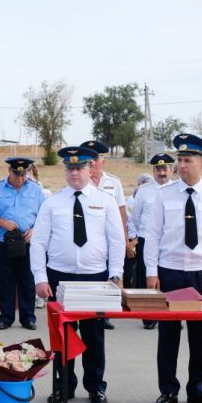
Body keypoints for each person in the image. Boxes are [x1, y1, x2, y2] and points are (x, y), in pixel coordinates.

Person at [30, 146, 125, 403]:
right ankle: (64, 385)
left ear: (90, 169)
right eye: (70, 168)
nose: (74, 173)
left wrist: (116, 273)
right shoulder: (52, 202)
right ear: (65, 170)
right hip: (59, 276)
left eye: (79, 167)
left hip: (95, 277)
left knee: (94, 335)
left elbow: (116, 240)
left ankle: (96, 386)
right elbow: (38, 243)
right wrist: (40, 277)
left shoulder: (105, 201)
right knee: (62, 335)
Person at [144, 133, 202, 403]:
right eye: (179, 160)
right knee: (169, 333)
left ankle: (197, 389)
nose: (181, 165)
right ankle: (168, 389)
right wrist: (150, 272)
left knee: (201, 335)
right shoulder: (163, 195)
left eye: (187, 160)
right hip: (170, 272)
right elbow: (153, 235)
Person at [0, 158, 45, 330]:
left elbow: (44, 216)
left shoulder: (36, 189)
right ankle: (6, 317)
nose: (19, 178)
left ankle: (28, 318)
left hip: (27, 242)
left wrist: (34, 230)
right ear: (9, 171)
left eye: (23, 174)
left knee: (27, 281)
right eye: (16, 174)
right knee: (5, 281)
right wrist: (3, 223)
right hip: (6, 242)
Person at [82, 140, 127, 330]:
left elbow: (121, 211)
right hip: (91, 239)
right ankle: (85, 311)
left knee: (111, 276)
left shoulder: (113, 183)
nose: (92, 163)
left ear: (103, 161)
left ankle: (105, 313)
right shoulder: (80, 181)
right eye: (89, 159)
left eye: (95, 158)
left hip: (111, 238)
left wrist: (124, 239)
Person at [130, 154, 175, 329]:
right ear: (153, 170)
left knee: (168, 278)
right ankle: (148, 317)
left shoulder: (177, 189)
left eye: (165, 169)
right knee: (145, 277)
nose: (162, 172)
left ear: (171, 170)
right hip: (147, 240)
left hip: (169, 242)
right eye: (158, 169)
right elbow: (136, 217)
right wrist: (144, 234)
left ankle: (172, 315)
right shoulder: (144, 190)